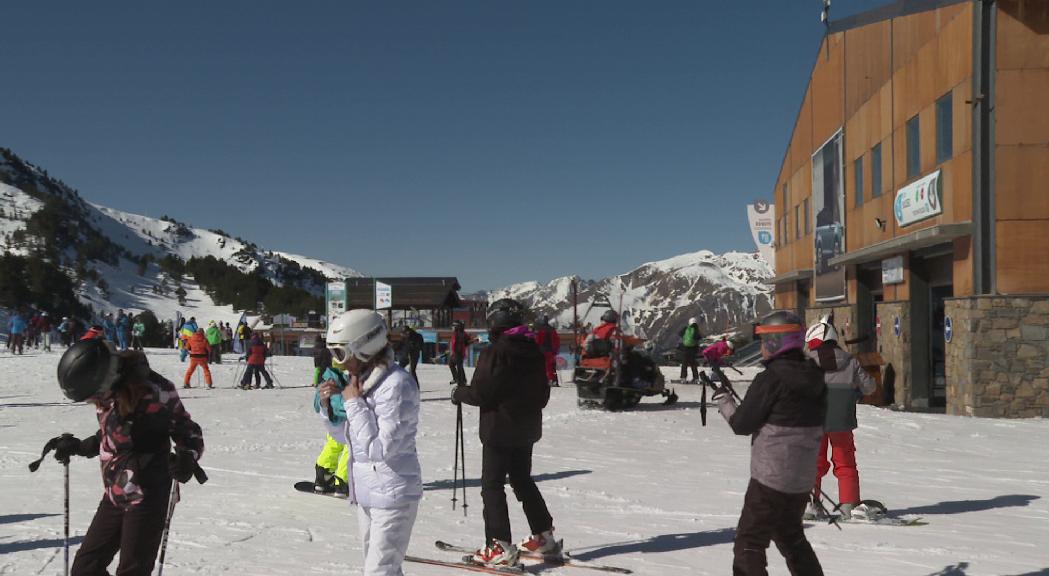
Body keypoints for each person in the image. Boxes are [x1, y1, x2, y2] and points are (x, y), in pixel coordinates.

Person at [45, 338, 205, 576]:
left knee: (132, 571)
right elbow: (116, 431)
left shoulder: (155, 391)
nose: (93, 401)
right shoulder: (108, 391)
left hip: (148, 494)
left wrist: (187, 457)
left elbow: (188, 431)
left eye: (93, 395)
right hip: (116, 491)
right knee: (85, 569)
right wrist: (81, 446)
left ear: (106, 377)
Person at [711, 310, 826, 576]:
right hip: (801, 478)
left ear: (777, 342)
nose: (761, 346)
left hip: (770, 478)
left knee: (750, 542)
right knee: (791, 536)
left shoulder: (771, 378)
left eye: (765, 340)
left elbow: (741, 424)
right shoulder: (815, 375)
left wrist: (723, 401)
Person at [452, 298, 559, 567]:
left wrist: (459, 393)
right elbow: (543, 394)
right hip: (526, 429)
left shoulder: (497, 352)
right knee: (522, 480)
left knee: (492, 484)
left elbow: (481, 393)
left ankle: (498, 545)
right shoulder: (533, 351)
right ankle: (544, 536)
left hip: (499, 430)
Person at [317, 309, 421, 576]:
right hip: (367, 491)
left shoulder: (396, 385)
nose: (337, 363)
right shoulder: (362, 382)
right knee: (380, 568)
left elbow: (381, 450)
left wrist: (353, 403)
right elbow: (346, 438)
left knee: (379, 571)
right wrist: (329, 407)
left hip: (393, 493)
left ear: (363, 347)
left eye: (340, 353)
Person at [804, 317, 877, 520]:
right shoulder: (850, 361)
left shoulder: (806, 362)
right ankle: (849, 505)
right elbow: (870, 387)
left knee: (812, 463)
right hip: (841, 422)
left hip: (812, 422)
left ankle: (808, 505)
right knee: (845, 463)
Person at [311, 362, 350, 496]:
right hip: (347, 419)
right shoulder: (349, 378)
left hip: (331, 419)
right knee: (351, 445)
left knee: (334, 442)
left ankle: (323, 475)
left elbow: (316, 404)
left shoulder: (327, 377)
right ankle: (343, 481)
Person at [534, 315, 561, 386]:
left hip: (542, 351)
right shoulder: (552, 329)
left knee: (543, 366)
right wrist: (556, 350)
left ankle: (546, 380)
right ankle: (554, 380)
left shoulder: (539, 330)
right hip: (551, 351)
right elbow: (557, 341)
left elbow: (537, 341)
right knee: (552, 366)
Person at [448, 320, 473, 386]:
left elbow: (465, 342)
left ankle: (460, 380)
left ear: (457, 327)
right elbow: (467, 341)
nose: (452, 328)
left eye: (453, 326)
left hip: (458, 353)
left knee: (456, 365)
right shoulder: (460, 333)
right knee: (457, 365)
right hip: (457, 353)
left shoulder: (458, 334)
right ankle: (462, 380)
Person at [678, 317, 702, 382]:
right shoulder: (696, 329)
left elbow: (679, 333)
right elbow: (699, 337)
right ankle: (696, 378)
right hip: (693, 349)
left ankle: (683, 378)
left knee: (684, 364)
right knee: (693, 364)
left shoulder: (686, 328)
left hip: (685, 348)